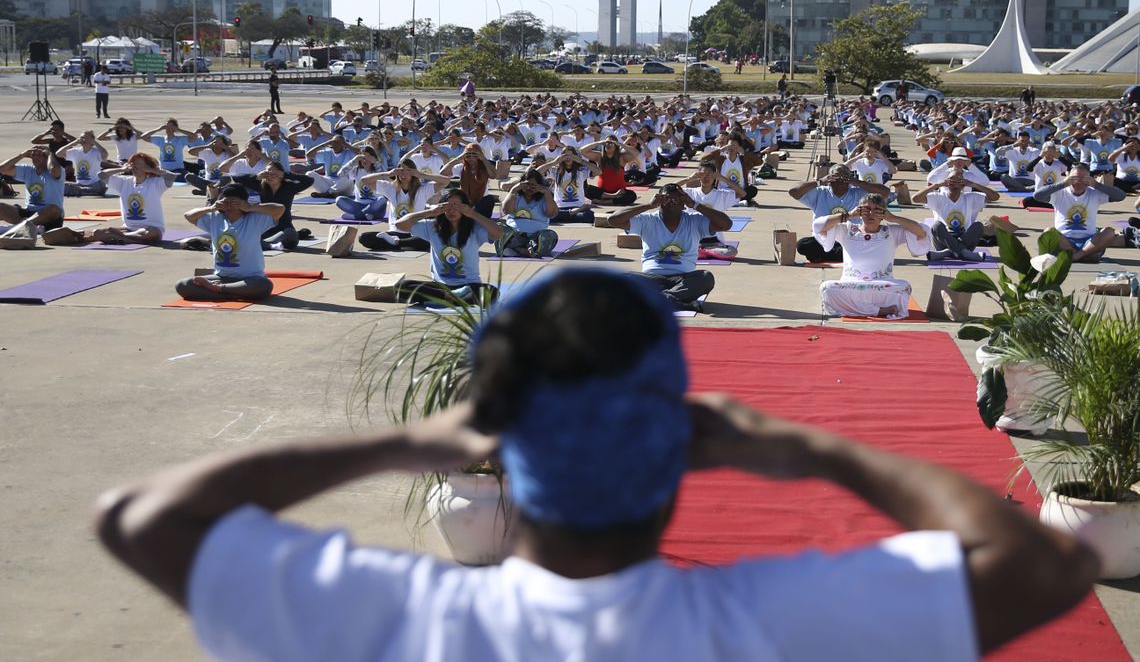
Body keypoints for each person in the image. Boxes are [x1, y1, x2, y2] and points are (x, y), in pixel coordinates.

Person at [94, 267, 1097, 662]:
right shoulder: (776, 627)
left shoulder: (403, 624)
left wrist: (415, 438)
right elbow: (1050, 565)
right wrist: (808, 448)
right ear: (684, 452)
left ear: (493, 442)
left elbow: (138, 517)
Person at [608, 182, 731, 312]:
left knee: (706, 277)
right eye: (666, 198)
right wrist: (648, 206)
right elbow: (613, 220)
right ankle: (674, 301)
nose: (672, 202)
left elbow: (726, 224)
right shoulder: (647, 220)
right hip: (652, 278)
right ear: (659, 201)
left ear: (684, 204)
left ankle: (660, 300)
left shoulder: (694, 221)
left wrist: (695, 205)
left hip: (684, 279)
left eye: (678, 199)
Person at [814, 194, 930, 318]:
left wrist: (893, 217)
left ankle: (859, 309)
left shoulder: (892, 232)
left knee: (904, 287)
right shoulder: (846, 230)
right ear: (859, 212)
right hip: (852, 287)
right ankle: (880, 311)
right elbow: (819, 227)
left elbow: (921, 233)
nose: (871, 214)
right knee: (826, 288)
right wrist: (848, 215)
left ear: (883, 214)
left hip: (882, 287)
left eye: (877, 210)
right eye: (866, 210)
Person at [174, 184, 285, 303]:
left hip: (250, 279)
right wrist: (210, 208)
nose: (230, 206)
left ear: (243, 202)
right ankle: (227, 294)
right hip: (221, 277)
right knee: (183, 285)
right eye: (227, 201)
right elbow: (188, 216)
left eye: (235, 202)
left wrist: (250, 207)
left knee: (264, 286)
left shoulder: (255, 219)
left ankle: (219, 289)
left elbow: (280, 209)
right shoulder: (215, 218)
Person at [393, 187, 504, 305]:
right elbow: (400, 225)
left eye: (457, 206)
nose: (452, 210)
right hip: (440, 286)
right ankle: (453, 298)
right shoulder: (432, 227)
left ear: (465, 208)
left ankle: (447, 299)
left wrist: (472, 214)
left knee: (492, 292)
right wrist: (430, 212)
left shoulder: (474, 228)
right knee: (402, 287)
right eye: (448, 206)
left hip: (469, 285)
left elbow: (498, 233)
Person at [788, 164, 889, 263]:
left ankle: (828, 256)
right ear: (829, 179)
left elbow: (885, 193)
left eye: (844, 177)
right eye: (835, 176)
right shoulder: (820, 192)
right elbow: (793, 191)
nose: (839, 180)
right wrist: (820, 181)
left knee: (866, 243)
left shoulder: (858, 192)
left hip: (850, 239)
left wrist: (858, 182)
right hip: (823, 239)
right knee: (802, 245)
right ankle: (841, 255)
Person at [1033, 163, 1126, 263]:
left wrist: (1096, 184)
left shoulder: (1094, 193)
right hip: (1065, 240)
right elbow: (1037, 195)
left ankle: (1075, 256)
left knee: (1109, 232)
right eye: (1075, 178)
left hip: (1089, 241)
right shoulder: (1060, 193)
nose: (1078, 182)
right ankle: (1086, 255)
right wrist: (1063, 183)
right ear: (1069, 178)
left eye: (1083, 179)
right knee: (1048, 231)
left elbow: (1120, 196)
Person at [357, 158, 451, 252]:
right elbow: (364, 180)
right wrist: (388, 174)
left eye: (408, 171)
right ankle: (399, 243)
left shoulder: (423, 189)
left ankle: (396, 243)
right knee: (364, 238)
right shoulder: (390, 187)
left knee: (431, 240)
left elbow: (446, 181)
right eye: (401, 171)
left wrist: (421, 175)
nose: (403, 174)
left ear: (413, 173)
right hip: (394, 232)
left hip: (415, 233)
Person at [913, 169, 1000, 262]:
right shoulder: (939, 197)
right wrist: (937, 185)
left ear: (963, 185)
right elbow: (915, 198)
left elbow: (995, 197)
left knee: (978, 225)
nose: (955, 182)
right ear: (946, 183)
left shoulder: (970, 197)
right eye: (951, 179)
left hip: (964, 239)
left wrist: (974, 185)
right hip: (944, 240)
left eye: (959, 180)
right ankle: (963, 253)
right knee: (936, 225)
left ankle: (948, 252)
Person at [231, 163, 314, 251]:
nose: (270, 176)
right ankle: (267, 244)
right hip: (266, 229)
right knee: (248, 235)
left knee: (291, 234)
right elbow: (237, 177)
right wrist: (256, 176)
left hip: (284, 228)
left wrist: (286, 174)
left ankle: (263, 244)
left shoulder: (289, 187)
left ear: (280, 175)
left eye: (274, 173)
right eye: (267, 173)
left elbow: (309, 180)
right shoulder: (261, 185)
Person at [0, 146, 66, 237]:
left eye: (40, 155)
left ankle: (17, 228)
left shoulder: (57, 170)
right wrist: (21, 155)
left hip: (49, 217)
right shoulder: (27, 169)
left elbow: (54, 170)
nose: (36, 157)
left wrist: (50, 154)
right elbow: (2, 169)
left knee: (54, 209)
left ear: (47, 157)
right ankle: (29, 226)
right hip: (28, 213)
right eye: (34, 155)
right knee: (1, 206)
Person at [497, 169, 559, 258]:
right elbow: (506, 211)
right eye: (527, 185)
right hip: (514, 235)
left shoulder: (544, 197)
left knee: (550, 235)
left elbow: (551, 213)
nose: (529, 188)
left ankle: (518, 250)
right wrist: (513, 190)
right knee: (499, 228)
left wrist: (547, 192)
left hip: (536, 236)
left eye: (533, 185)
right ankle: (523, 251)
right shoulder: (516, 195)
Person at [61, 130, 113, 197]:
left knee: (98, 187)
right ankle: (83, 190)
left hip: (95, 184)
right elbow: (59, 153)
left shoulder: (96, 152)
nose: (83, 139)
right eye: (81, 137)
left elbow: (105, 154)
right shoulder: (76, 151)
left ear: (91, 140)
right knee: (63, 185)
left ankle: (82, 191)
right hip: (79, 184)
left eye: (86, 138)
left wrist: (94, 142)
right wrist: (74, 142)